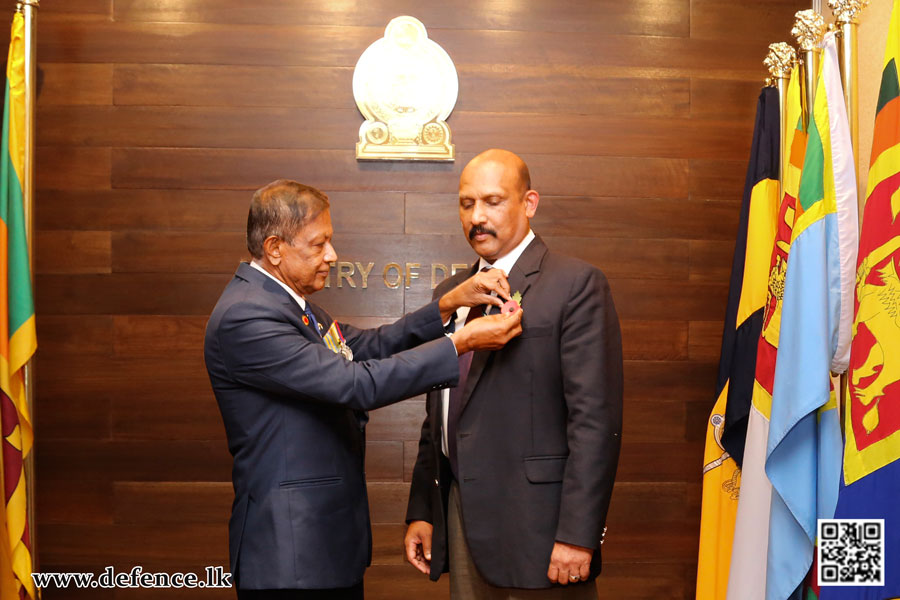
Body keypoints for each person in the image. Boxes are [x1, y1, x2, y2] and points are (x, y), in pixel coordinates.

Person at [203, 179, 523, 599]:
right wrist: (459, 343)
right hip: (290, 554)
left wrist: (447, 305)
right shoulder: (248, 316)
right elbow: (356, 383)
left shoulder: (287, 304)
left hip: (322, 546)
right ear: (275, 248)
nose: (332, 256)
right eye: (318, 245)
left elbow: (362, 347)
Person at [404, 149, 623, 598]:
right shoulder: (451, 294)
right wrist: (424, 509)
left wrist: (578, 534)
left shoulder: (575, 285)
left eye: (492, 201)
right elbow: (440, 413)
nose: (477, 217)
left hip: (542, 531)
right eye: (466, 204)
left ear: (529, 204)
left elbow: (594, 422)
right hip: (462, 519)